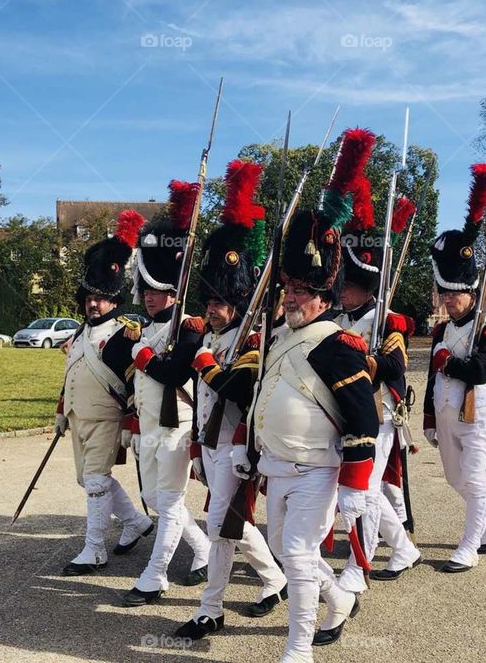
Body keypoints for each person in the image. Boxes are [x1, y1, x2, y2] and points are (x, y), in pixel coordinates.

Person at [232, 134, 380, 662]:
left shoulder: (340, 346)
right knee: (286, 551)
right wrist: (245, 446)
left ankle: (298, 650)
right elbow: (262, 400)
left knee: (295, 554)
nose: (291, 298)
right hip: (276, 466)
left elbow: (364, 418)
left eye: (302, 292)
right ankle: (338, 599)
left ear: (324, 295)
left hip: (318, 469)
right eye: (288, 290)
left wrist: (356, 485)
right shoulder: (278, 338)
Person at [170, 160, 287, 641]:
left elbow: (241, 391)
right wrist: (198, 443)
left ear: (237, 303)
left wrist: (207, 368)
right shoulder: (213, 337)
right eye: (210, 301)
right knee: (227, 522)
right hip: (212, 443)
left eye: (221, 303)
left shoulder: (253, 339)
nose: (213, 309)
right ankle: (277, 579)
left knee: (219, 525)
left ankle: (210, 608)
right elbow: (200, 400)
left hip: (240, 445)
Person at [332, 129, 421, 594]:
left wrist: (365, 362)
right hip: (344, 411)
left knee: (363, 490)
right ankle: (402, 547)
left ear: (366, 283)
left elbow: (394, 369)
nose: (340, 289)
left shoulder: (390, 319)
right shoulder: (340, 316)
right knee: (358, 491)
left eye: (348, 283)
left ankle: (357, 568)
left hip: (379, 412)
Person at [119, 181, 211, 606]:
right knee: (154, 497)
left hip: (178, 425)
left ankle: (154, 576)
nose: (150, 298)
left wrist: (143, 357)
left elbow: (175, 373)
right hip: (153, 425)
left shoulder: (190, 325)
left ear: (173, 290)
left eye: (157, 292)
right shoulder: (150, 327)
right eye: (147, 291)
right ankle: (206, 548)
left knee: (169, 502)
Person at [53, 210, 154, 576]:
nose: (93, 304)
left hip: (107, 419)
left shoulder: (124, 334)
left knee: (95, 482)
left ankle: (94, 549)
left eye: (100, 298)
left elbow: (133, 386)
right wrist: (62, 410)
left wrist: (132, 424)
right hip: (79, 417)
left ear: (114, 301)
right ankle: (135, 523)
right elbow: (71, 375)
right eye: (89, 298)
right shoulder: (80, 334)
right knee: (89, 479)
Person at [424, 162, 486, 574]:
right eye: (445, 294)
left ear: (470, 292)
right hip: (445, 412)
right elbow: (431, 374)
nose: (448, 301)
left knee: (474, 480)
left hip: (480, 414)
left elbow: (480, 372)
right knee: (455, 479)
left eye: (454, 295)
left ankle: (469, 547)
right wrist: (428, 414)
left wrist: (448, 363)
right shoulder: (443, 330)